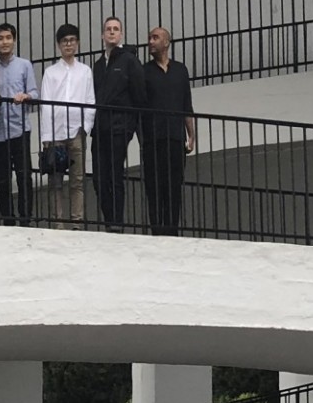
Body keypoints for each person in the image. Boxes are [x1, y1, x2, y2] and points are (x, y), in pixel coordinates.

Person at [90, 14, 146, 231]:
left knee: (114, 175)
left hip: (120, 127)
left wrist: (130, 125)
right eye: (108, 29)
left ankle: (116, 224)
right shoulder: (97, 65)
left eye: (115, 29)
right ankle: (110, 220)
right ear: (103, 34)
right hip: (100, 127)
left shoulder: (129, 60)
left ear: (121, 33)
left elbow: (139, 95)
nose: (112, 32)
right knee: (98, 178)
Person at [36, 23, 95, 225]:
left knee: (77, 180)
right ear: (59, 45)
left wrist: (85, 127)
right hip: (55, 133)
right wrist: (46, 137)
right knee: (56, 181)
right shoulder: (51, 72)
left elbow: (90, 100)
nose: (68, 44)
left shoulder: (85, 71)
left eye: (72, 40)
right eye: (64, 41)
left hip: (77, 131)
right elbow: (45, 105)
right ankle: (57, 222)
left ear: (77, 43)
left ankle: (77, 221)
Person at [142, 25, 196, 237]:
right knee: (154, 188)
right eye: (150, 38)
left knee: (174, 187)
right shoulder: (144, 72)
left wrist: (191, 135)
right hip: (153, 140)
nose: (151, 41)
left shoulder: (180, 70)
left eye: (155, 37)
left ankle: (172, 231)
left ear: (166, 42)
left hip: (175, 139)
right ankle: (157, 230)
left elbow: (186, 105)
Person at [0, 22, 36, 226]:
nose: (4, 42)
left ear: (14, 40)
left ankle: (25, 218)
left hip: (20, 129)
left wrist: (25, 96)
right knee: (2, 179)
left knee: (24, 176)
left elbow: (35, 93)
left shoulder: (25, 65)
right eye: (0, 38)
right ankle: (7, 219)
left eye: (8, 37)